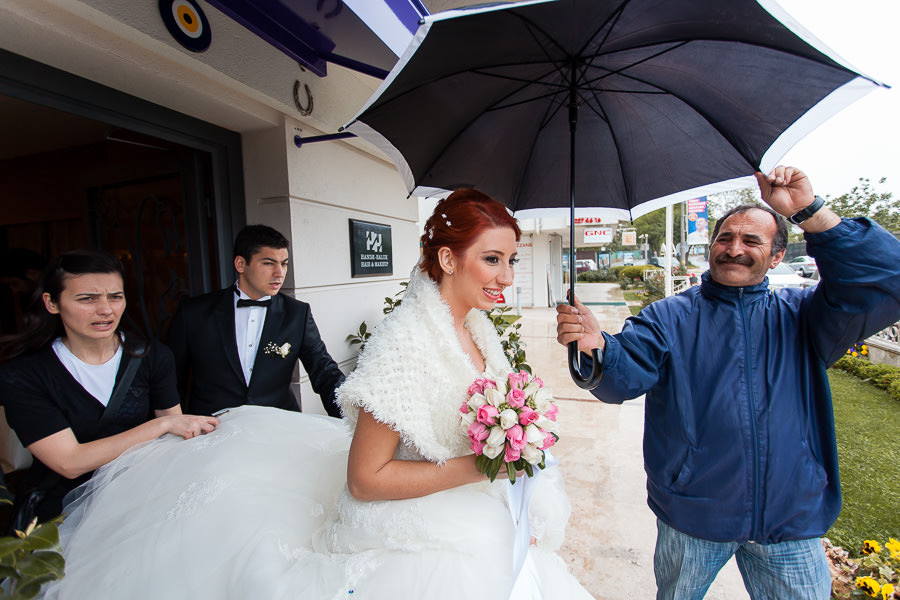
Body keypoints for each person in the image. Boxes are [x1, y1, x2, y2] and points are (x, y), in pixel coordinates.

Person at [40, 190, 593, 599]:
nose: (506, 275)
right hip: (420, 527)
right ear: (448, 260)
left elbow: (330, 375)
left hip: (477, 509)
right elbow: (366, 478)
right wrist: (481, 465)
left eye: (511, 260)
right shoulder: (406, 344)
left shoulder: (479, 330)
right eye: (492, 259)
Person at [556, 166, 900, 600]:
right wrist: (596, 346)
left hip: (789, 520)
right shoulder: (669, 316)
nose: (734, 248)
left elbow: (888, 277)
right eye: (725, 238)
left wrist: (809, 212)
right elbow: (625, 375)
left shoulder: (808, 317)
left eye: (751, 241)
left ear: (776, 256)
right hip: (693, 514)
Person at [0, 250, 218, 523]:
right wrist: (159, 426)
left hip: (141, 506)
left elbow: (174, 443)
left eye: (115, 297)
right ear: (52, 303)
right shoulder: (24, 375)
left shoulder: (152, 357)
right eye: (87, 299)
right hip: (63, 516)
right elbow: (69, 462)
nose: (105, 310)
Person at [165, 224, 345, 417]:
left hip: (278, 425)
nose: (279, 273)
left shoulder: (297, 313)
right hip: (212, 430)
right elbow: (171, 381)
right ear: (241, 264)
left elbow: (324, 372)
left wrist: (354, 418)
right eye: (268, 263)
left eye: (283, 263)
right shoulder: (193, 313)